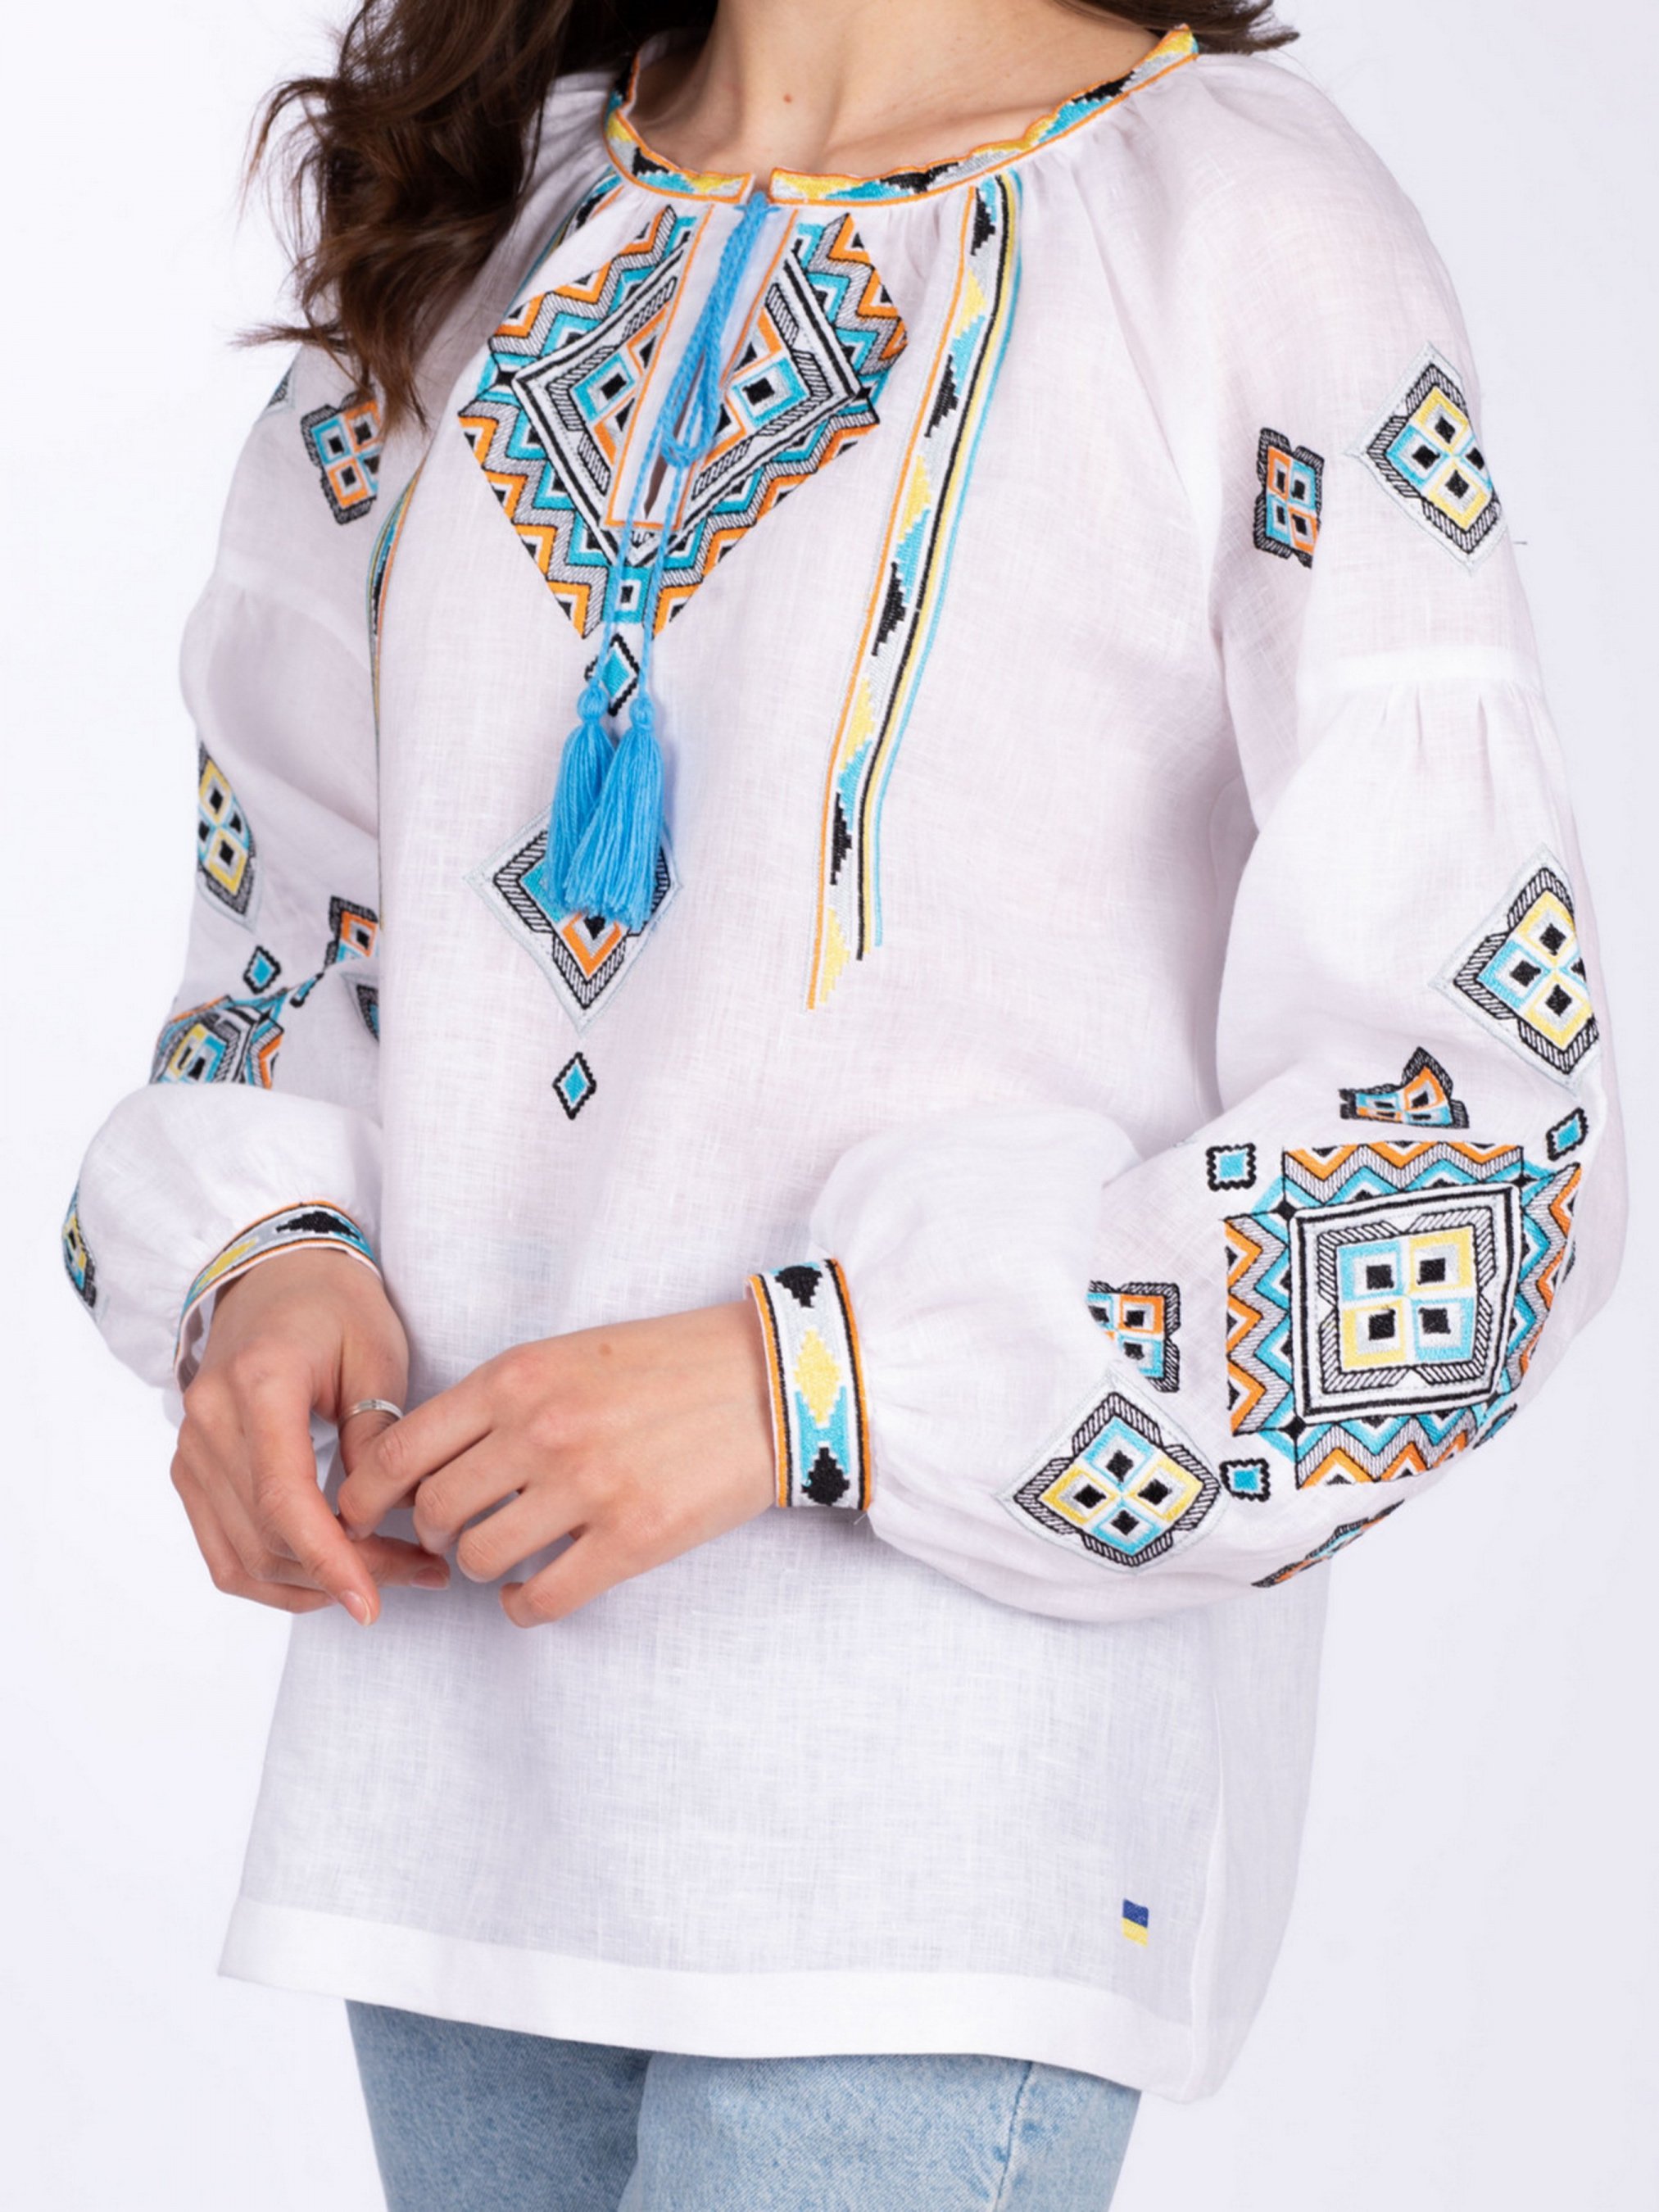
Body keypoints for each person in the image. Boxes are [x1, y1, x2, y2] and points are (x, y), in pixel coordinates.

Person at [62, 0, 1625, 2204]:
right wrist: (266, 1265)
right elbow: (289, 941)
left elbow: (1488, 1137)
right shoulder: (482, 222)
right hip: (460, 1775)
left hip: (928, 1816)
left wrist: (812, 1380)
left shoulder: (1240, 224)